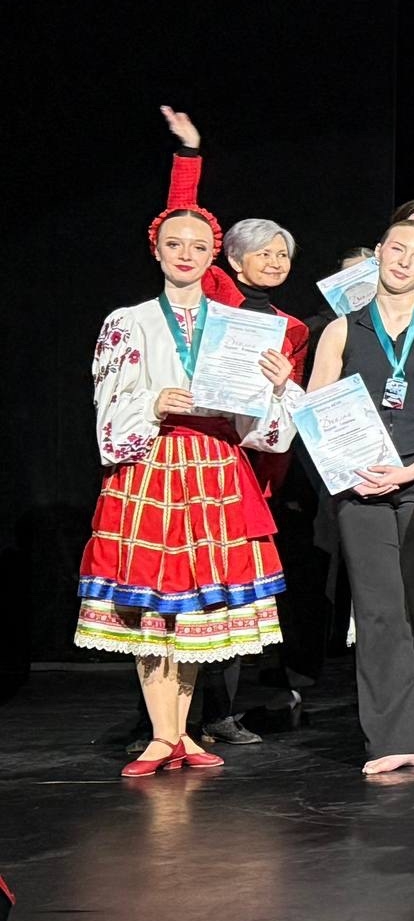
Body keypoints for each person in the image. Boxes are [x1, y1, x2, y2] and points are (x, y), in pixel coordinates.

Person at [78, 204, 298, 774]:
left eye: (198, 246)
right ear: (156, 250)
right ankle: (161, 734)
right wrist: (152, 403)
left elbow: (260, 428)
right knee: (155, 605)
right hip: (153, 464)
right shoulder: (129, 321)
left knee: (196, 609)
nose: (186, 254)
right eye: (174, 244)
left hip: (215, 467)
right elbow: (107, 407)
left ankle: (182, 733)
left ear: (213, 256)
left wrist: (277, 388)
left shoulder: (237, 326)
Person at [307, 214, 414, 774]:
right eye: (396, 249)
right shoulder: (341, 330)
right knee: (378, 609)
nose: (404, 261)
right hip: (360, 485)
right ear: (379, 252)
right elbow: (316, 410)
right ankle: (396, 738)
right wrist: (349, 468)